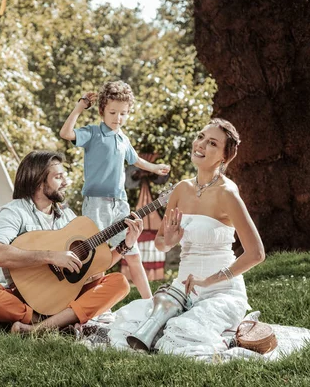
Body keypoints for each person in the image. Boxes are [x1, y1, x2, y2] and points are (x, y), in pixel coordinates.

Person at [108, 118, 266, 356]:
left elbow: (256, 254)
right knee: (130, 327)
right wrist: (170, 241)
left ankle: (227, 336)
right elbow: (161, 243)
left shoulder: (228, 193)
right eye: (200, 136)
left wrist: (209, 281)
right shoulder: (181, 189)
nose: (201, 144)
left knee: (180, 336)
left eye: (212, 143)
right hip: (179, 291)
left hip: (221, 292)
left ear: (224, 157)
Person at [0, 150, 144, 334]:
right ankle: (53, 321)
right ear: (39, 181)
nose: (65, 182)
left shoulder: (67, 216)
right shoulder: (14, 211)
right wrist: (51, 257)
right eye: (58, 177)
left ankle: (37, 328)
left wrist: (127, 244)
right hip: (23, 297)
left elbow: (98, 264)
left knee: (119, 283)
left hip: (64, 296)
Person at [59, 80, 170, 298]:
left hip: (120, 204)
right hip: (96, 204)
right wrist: (79, 107)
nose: (118, 118)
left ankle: (150, 303)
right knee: (96, 259)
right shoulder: (92, 133)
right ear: (102, 110)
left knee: (133, 253)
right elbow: (66, 133)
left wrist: (155, 168)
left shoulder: (123, 139)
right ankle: (91, 305)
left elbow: (136, 160)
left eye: (123, 113)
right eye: (113, 112)